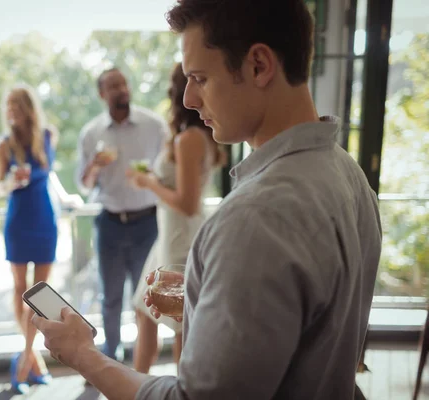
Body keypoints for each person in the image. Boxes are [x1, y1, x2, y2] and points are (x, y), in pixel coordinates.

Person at [31, 1, 383, 399]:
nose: (189, 100)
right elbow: (314, 328)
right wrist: (211, 293)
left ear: (259, 65)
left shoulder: (255, 219)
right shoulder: (350, 176)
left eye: (199, 77)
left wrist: (83, 355)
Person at [127, 62, 224, 373]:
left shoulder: (189, 139)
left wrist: (149, 183)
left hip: (181, 236)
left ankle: (184, 388)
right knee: (144, 309)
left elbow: (187, 203)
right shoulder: (190, 135)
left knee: (183, 321)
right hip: (168, 233)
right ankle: (136, 388)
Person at [0, 84, 82, 393]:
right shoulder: (3, 145)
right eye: (9, 106)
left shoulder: (48, 136)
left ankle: (25, 359)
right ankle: (34, 361)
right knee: (20, 289)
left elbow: (49, 172)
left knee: (39, 292)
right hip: (18, 217)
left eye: (17, 105)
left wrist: (66, 196)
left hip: (45, 215)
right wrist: (10, 182)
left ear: (29, 108)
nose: (12, 111)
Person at [75, 67, 167, 361]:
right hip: (110, 224)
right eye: (113, 86)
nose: (121, 90)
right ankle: (110, 355)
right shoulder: (91, 133)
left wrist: (151, 177)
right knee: (111, 298)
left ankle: (142, 359)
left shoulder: (154, 126)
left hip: (147, 223)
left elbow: (169, 173)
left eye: (124, 83)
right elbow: (84, 184)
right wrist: (94, 165)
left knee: (146, 297)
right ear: (103, 94)